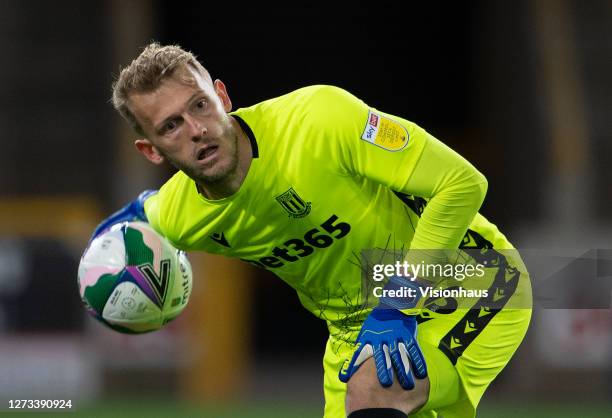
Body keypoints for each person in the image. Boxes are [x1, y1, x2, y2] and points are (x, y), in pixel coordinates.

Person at [95, 42, 532, 418]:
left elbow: (461, 183)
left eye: (199, 105)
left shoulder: (318, 119)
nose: (197, 130)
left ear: (222, 97)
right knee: (369, 388)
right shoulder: (180, 215)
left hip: (470, 283)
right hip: (354, 336)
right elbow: (141, 216)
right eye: (171, 126)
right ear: (151, 151)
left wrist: (397, 305)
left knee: (374, 389)